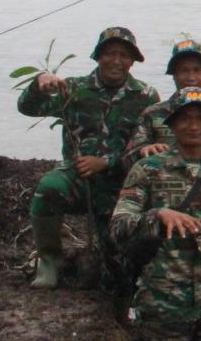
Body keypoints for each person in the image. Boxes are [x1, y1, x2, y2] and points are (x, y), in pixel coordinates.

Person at [18, 26, 159, 289]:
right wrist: (38, 84)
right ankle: (49, 259)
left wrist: (108, 161)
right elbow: (28, 108)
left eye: (124, 55)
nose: (116, 61)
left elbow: (147, 142)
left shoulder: (146, 96)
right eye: (110, 53)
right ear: (98, 56)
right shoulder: (73, 88)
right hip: (77, 175)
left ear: (132, 61)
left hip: (120, 182)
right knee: (48, 189)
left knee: (118, 267)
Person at [110, 87, 201, 341]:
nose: (194, 126)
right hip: (162, 304)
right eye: (185, 118)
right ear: (172, 124)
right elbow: (117, 227)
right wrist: (158, 215)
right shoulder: (148, 169)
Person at [126, 39, 201, 168]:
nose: (191, 77)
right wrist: (143, 151)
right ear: (174, 75)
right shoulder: (153, 114)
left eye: (197, 70)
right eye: (184, 71)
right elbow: (127, 160)